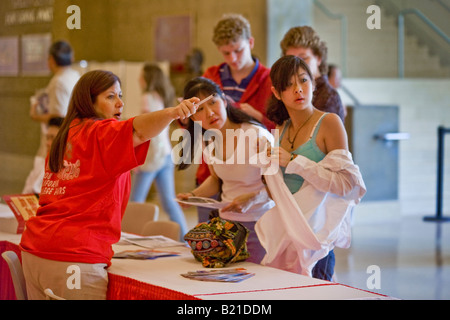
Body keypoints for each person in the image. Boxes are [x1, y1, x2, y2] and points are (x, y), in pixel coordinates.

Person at [19, 70, 199, 300]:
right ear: (89, 101)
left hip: (36, 251)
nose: (120, 103)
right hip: (74, 256)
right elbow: (139, 130)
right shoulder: (99, 131)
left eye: (120, 95)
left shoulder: (66, 133)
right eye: (110, 96)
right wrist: (173, 113)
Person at [258, 55, 365, 280]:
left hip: (317, 240)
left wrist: (295, 162)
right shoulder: (281, 128)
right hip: (288, 236)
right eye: (288, 85)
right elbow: (279, 190)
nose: (298, 89)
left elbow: (347, 185)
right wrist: (267, 173)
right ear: (277, 93)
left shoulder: (329, 123)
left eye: (303, 80)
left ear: (313, 84)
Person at [176, 77, 275, 264]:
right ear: (193, 118)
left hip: (261, 222)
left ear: (224, 100)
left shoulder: (256, 135)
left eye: (213, 103)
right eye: (200, 110)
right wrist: (193, 195)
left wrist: (253, 198)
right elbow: (216, 179)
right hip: (227, 227)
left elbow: (280, 186)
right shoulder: (209, 140)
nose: (210, 113)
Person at [197, 14, 275, 221]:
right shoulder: (210, 75)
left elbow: (282, 129)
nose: (233, 58)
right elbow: (196, 126)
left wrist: (259, 118)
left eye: (238, 50)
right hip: (214, 170)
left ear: (250, 43)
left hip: (254, 179)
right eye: (226, 53)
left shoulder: (268, 79)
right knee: (207, 240)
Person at [129, 63, 188, 238]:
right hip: (165, 154)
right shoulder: (161, 96)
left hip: (151, 157)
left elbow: (145, 130)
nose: (139, 80)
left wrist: (135, 158)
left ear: (147, 79)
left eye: (141, 76)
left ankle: (130, 238)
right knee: (169, 201)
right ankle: (185, 239)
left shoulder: (147, 97)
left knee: (135, 201)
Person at [280, 26, 345, 122]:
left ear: (318, 59)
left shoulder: (329, 98)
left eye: (304, 58)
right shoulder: (285, 91)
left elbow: (312, 135)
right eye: (291, 60)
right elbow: (277, 130)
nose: (296, 66)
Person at [22, 117, 64, 195]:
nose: (47, 143)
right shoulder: (40, 164)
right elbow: (25, 192)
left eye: (52, 138)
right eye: (47, 138)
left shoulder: (68, 171)